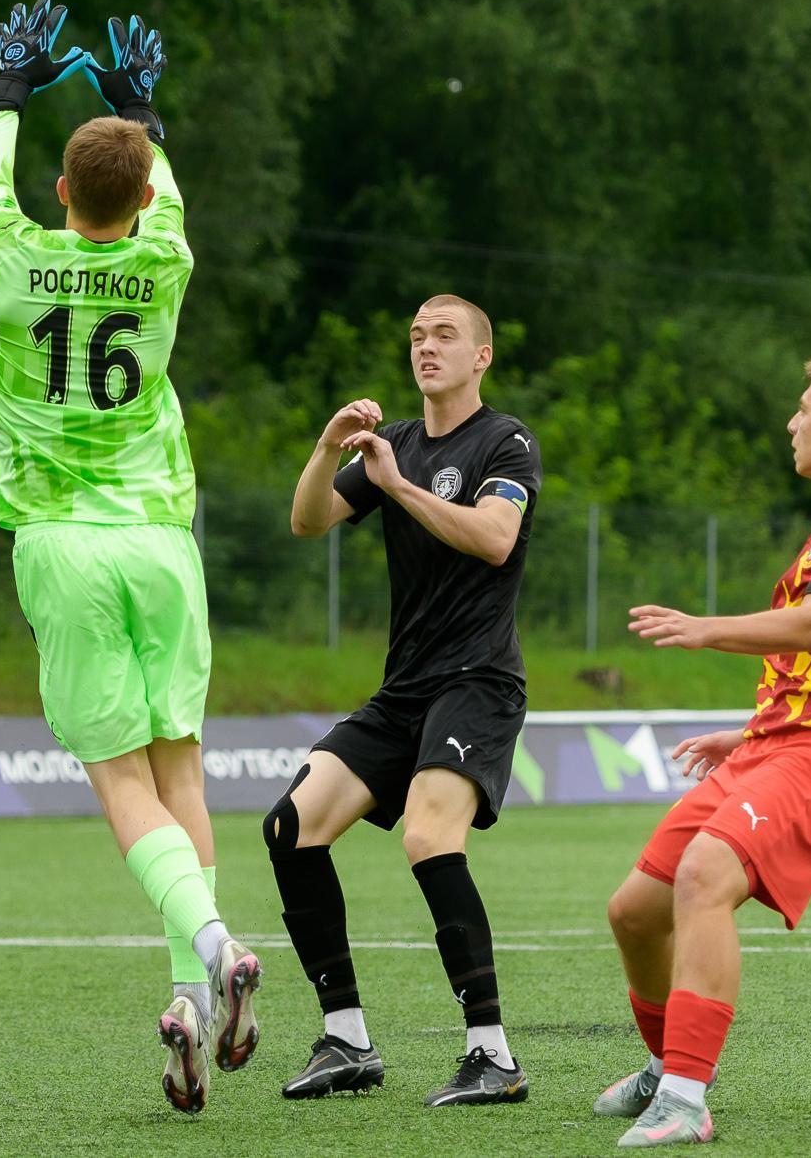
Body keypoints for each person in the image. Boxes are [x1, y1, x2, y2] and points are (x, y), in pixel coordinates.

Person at [0, 0, 260, 1116]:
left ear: (60, 191)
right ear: (140, 197)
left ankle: (216, 945)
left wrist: (10, 90)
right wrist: (142, 109)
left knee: (122, 782)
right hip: (160, 543)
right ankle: (189, 989)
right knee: (182, 769)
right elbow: (163, 191)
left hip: (63, 544)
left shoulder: (9, 259)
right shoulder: (164, 256)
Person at [599, 352, 811, 1147]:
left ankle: (685, 1097)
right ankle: (666, 1067)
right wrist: (749, 732)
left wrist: (703, 628)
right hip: (779, 744)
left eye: (804, 407)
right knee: (635, 911)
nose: (792, 421)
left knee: (705, 873)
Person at [271, 294, 542, 1107]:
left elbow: (494, 537)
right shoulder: (396, 442)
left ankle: (492, 1054)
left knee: (427, 836)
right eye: (418, 335)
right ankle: (347, 1039)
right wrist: (328, 448)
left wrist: (399, 487)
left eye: (445, 335)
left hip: (478, 681)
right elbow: (307, 520)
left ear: (480, 355)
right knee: (292, 825)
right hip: (406, 688)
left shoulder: (506, 440)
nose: (427, 346)